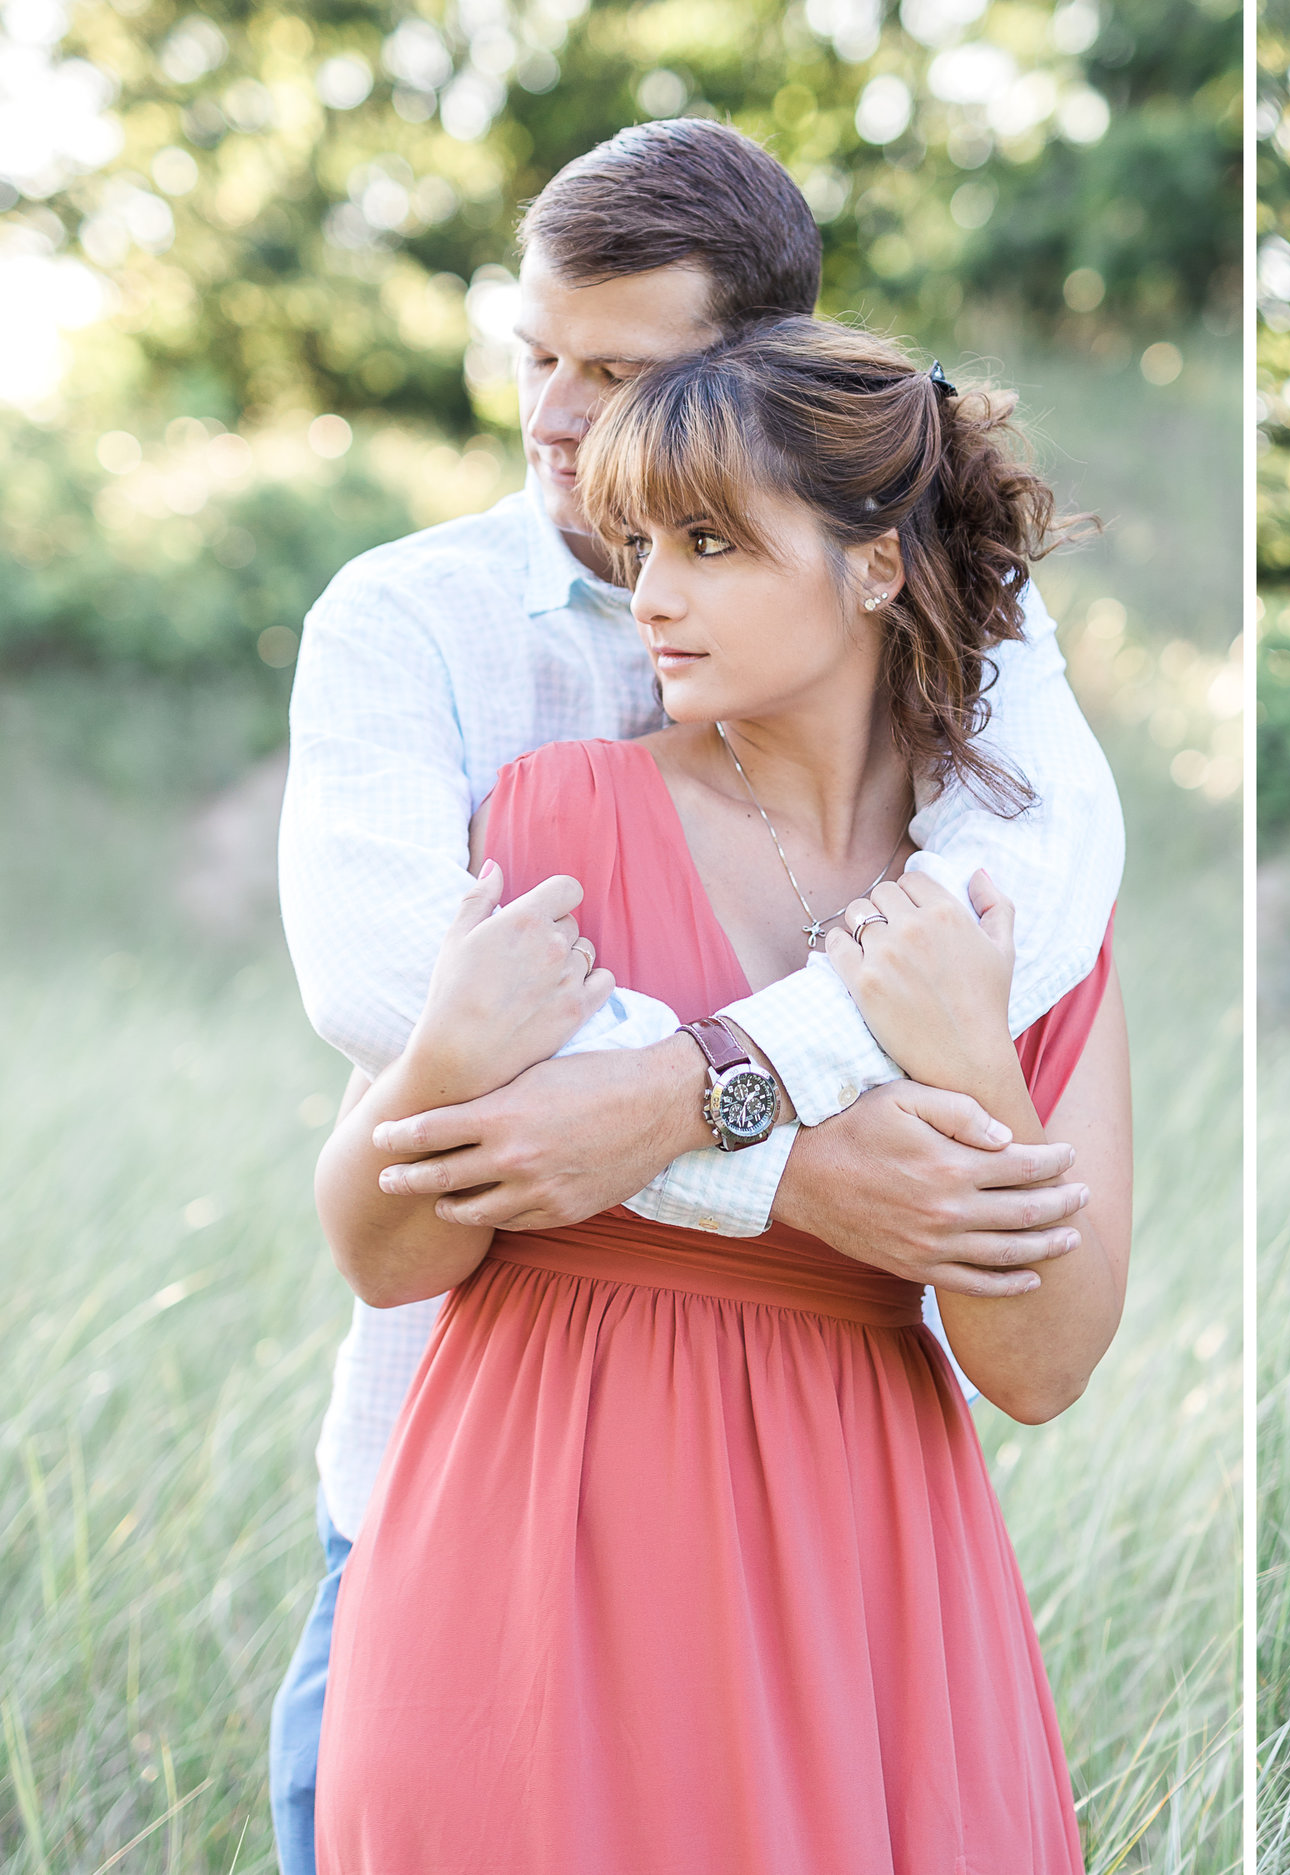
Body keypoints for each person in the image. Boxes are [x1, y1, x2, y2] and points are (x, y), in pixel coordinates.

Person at [268, 121, 1121, 1870]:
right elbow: (386, 1025)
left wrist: (763, 1076)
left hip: (850, 1574)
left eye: (625, 376)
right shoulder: (448, 674)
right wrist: (779, 1146)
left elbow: (1035, 909)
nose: (566, 424)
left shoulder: (991, 737)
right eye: (540, 359)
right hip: (475, 1507)